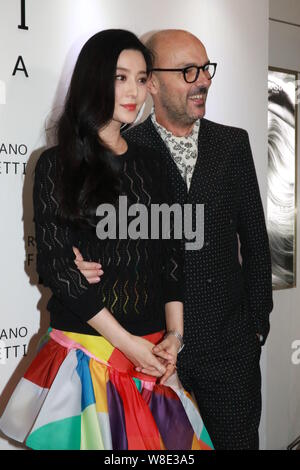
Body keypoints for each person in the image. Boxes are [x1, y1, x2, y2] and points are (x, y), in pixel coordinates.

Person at [0, 29, 213, 451]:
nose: (134, 91)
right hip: (90, 354)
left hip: (153, 355)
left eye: (140, 78)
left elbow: (172, 257)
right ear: (94, 79)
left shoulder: (155, 164)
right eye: (120, 77)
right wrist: (129, 345)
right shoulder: (56, 166)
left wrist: (175, 336)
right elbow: (58, 269)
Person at [75, 29, 274, 450]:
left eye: (205, 69)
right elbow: (104, 238)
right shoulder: (126, 147)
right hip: (150, 352)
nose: (202, 80)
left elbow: (255, 241)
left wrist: (257, 324)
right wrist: (78, 257)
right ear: (153, 83)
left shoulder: (232, 144)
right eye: (188, 71)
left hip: (230, 349)